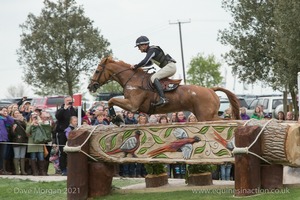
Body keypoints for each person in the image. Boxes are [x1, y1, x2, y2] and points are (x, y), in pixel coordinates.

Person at [131, 36, 177, 106]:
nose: (138, 49)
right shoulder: (151, 51)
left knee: (153, 78)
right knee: (153, 77)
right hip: (169, 67)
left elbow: (145, 61)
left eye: (139, 46)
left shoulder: (152, 50)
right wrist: (138, 67)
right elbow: (149, 63)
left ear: (144, 45)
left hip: (170, 67)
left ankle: (163, 98)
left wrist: (136, 66)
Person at [55, 96, 85, 176]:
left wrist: (78, 108)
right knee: (63, 151)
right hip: (62, 133)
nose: (69, 102)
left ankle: (72, 168)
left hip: (73, 133)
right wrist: (64, 108)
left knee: (73, 150)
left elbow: (83, 115)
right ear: (64, 101)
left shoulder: (74, 109)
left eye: (70, 101)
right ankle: (63, 169)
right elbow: (58, 116)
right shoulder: (61, 109)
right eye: (67, 100)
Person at [10, 110, 28, 175]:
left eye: (18, 113)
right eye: (15, 113)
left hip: (24, 141)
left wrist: (23, 121)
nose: (17, 114)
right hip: (16, 141)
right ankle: (17, 171)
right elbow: (11, 133)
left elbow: (27, 130)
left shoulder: (24, 122)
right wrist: (14, 131)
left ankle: (22, 171)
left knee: (22, 156)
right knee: (17, 155)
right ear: (13, 115)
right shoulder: (13, 123)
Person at [0, 107, 14, 175]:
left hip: (4, 139)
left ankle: (2, 169)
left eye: (6, 111)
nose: (5, 112)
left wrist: (7, 115)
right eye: (4, 110)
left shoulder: (4, 119)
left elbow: (11, 121)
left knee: (2, 155)